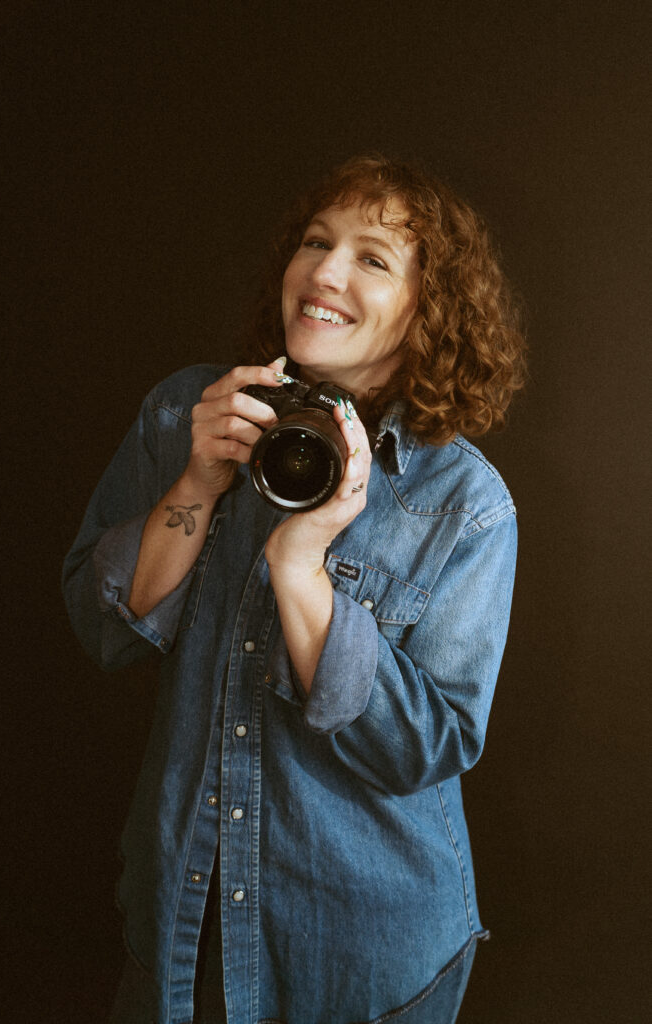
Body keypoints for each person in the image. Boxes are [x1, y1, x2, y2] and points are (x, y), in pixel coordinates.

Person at [63, 154, 526, 1024]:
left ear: (428, 310)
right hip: (181, 922)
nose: (324, 272)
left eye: (372, 258)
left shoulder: (462, 505)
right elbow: (103, 630)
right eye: (316, 242)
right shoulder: (185, 416)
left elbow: (424, 747)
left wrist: (299, 564)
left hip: (361, 954)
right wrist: (198, 485)